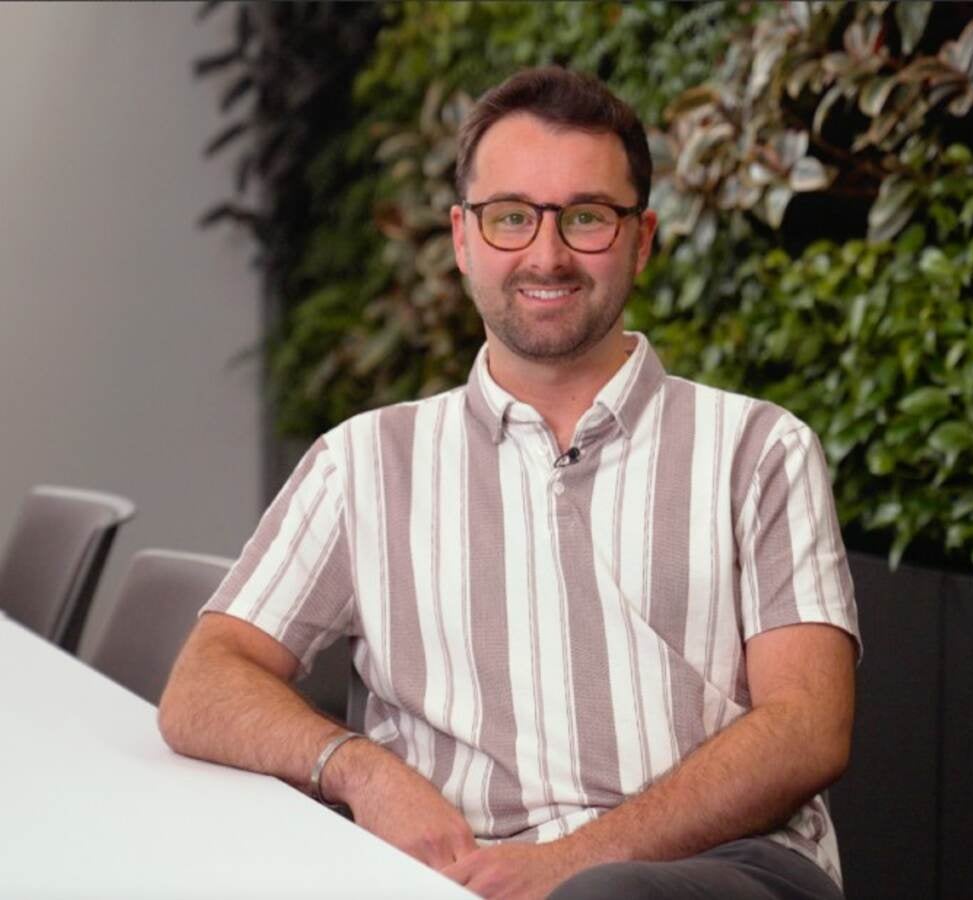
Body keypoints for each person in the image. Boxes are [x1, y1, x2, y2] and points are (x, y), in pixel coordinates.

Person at [159, 66, 860, 900]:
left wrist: (569, 863)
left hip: (715, 868)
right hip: (448, 871)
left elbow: (809, 727)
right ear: (463, 239)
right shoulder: (366, 461)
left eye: (588, 217)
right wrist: (359, 770)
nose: (547, 253)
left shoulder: (759, 448)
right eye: (511, 217)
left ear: (642, 240)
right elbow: (204, 680)